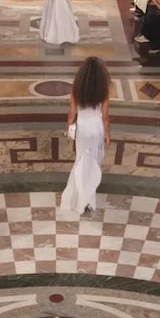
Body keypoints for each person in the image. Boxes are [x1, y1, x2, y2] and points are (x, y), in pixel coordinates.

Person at [61, 56, 110, 216]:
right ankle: (89, 196)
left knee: (81, 160)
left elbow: (72, 113)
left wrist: (69, 129)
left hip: (82, 128)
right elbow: (105, 116)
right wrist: (107, 134)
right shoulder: (104, 89)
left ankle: (79, 197)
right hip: (97, 128)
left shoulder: (77, 88)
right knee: (94, 161)